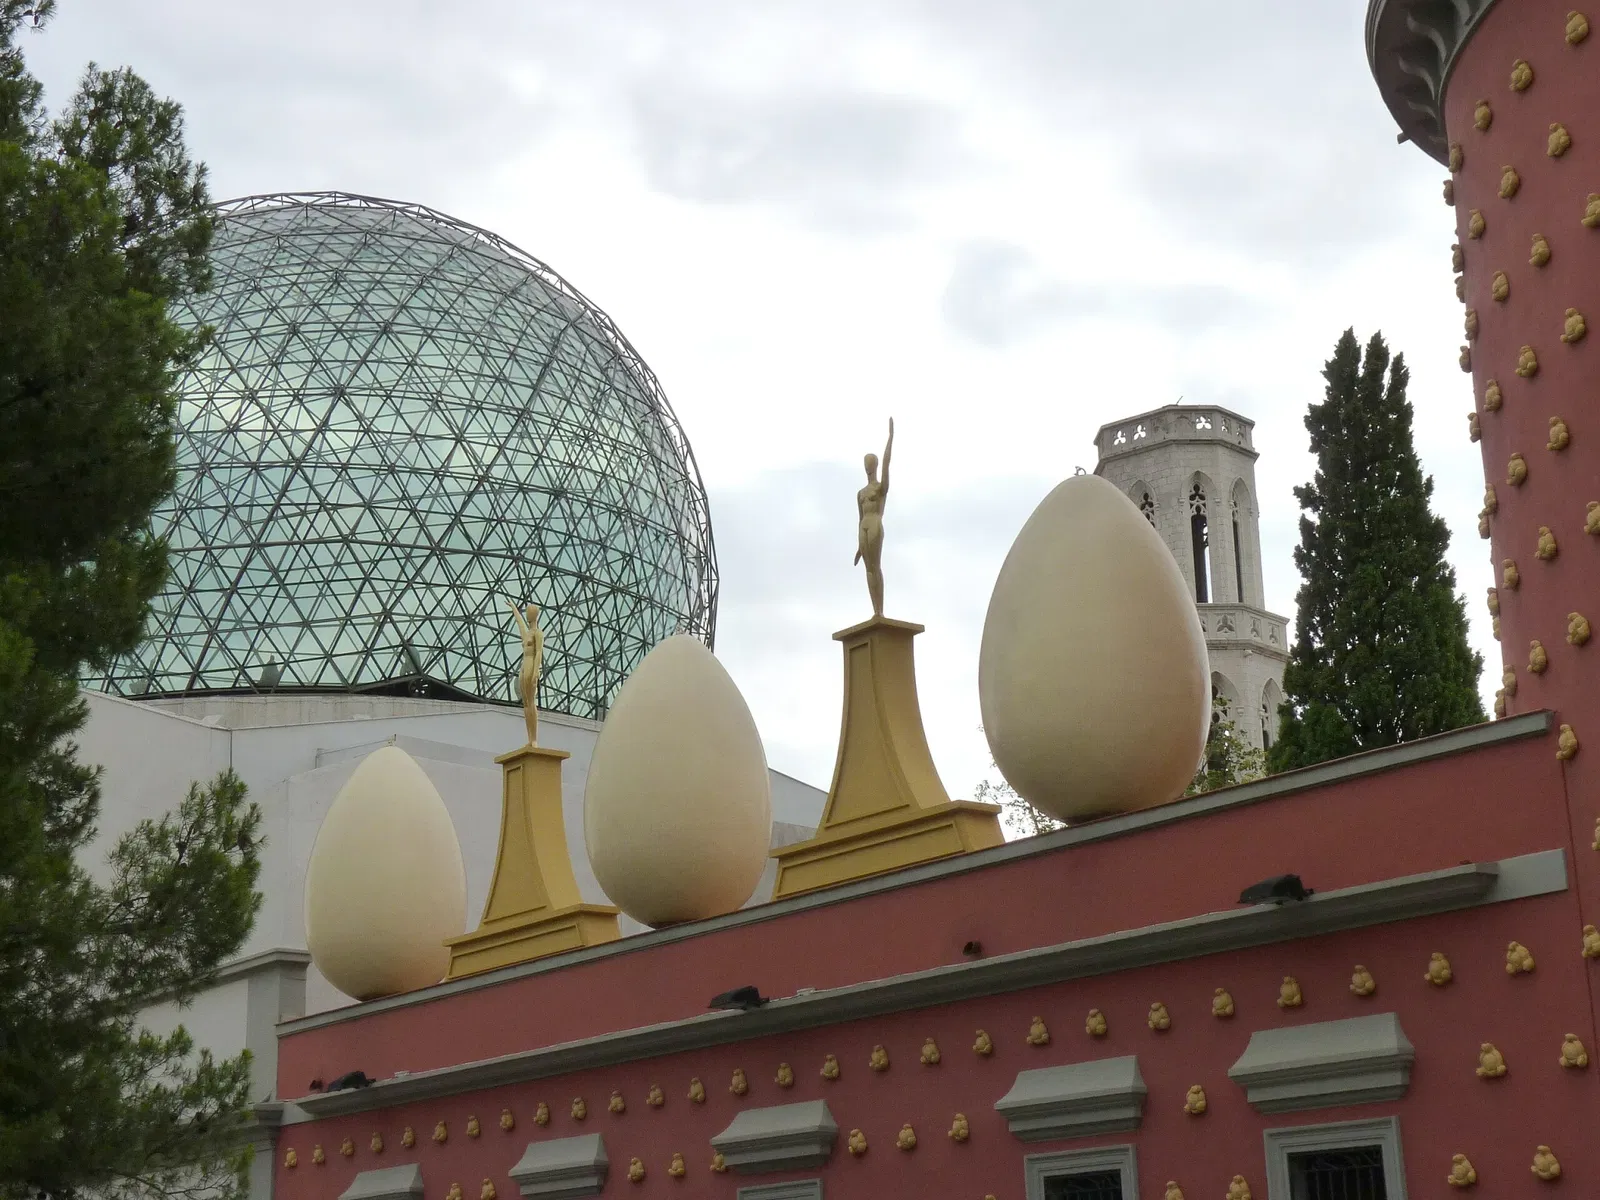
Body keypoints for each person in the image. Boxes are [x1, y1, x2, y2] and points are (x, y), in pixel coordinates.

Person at [854, 417, 894, 617]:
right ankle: (874, 610)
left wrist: (890, 438)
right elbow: (859, 517)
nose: (867, 466)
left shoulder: (879, 488)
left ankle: (880, 610)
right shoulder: (860, 493)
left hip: (875, 524)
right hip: (864, 527)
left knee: (876, 567)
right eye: (865, 463)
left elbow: (887, 465)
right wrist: (858, 547)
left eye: (870, 463)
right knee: (868, 570)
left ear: (874, 465)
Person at [508, 600, 543, 745]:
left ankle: (534, 739)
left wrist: (536, 672)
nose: (527, 615)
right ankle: (530, 739)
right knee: (526, 704)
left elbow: (539, 652)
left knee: (531, 702)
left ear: (534, 614)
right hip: (523, 666)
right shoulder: (527, 633)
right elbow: (520, 623)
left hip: (531, 665)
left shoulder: (538, 633)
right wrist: (514, 609)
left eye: (528, 612)